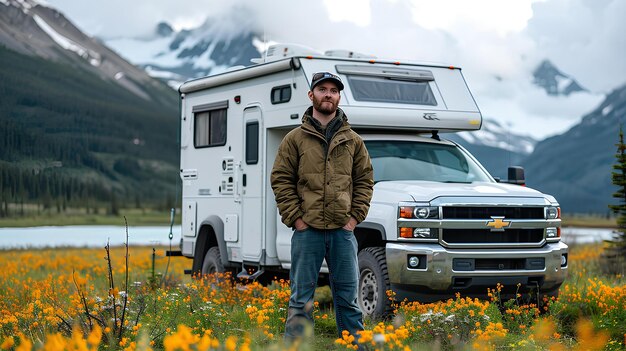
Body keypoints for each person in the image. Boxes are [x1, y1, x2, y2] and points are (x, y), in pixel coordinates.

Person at [270, 72, 374, 344]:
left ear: (339, 97)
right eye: (322, 89)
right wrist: (297, 219)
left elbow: (364, 181)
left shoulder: (353, 141)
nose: (328, 94)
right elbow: (281, 179)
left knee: (348, 299)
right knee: (300, 299)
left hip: (343, 231)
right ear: (311, 95)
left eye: (333, 90)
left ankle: (355, 347)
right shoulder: (295, 138)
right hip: (307, 232)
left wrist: (353, 219)